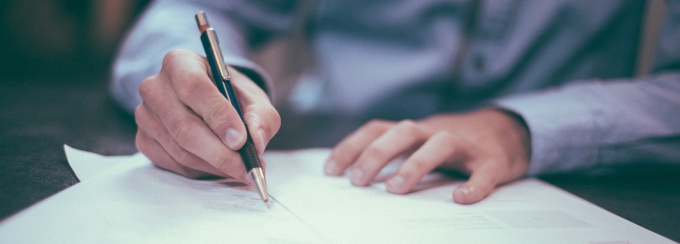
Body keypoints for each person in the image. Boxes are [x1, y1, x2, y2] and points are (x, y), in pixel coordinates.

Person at [111, 0, 680, 204]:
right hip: (329, 157)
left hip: (570, 173)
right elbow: (191, 10)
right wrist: (201, 84)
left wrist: (521, 128)